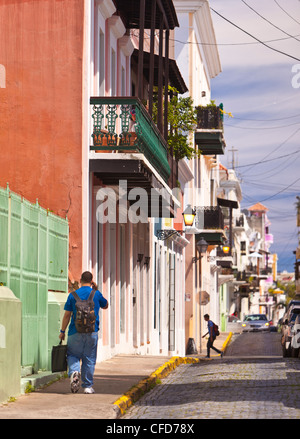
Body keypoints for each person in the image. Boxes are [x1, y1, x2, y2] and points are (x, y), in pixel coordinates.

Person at [59, 271, 108, 394]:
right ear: (91, 281)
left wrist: (62, 331)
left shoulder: (72, 295)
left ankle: (74, 372)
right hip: (92, 332)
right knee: (89, 358)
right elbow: (106, 305)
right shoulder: (96, 294)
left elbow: (67, 315)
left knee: (72, 355)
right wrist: (96, 289)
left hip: (74, 332)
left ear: (80, 280)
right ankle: (87, 386)